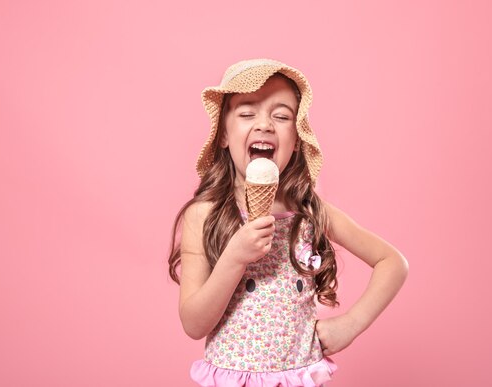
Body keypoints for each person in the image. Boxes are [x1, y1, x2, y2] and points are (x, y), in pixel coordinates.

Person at [168, 59, 409, 387]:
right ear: (224, 134)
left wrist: (352, 323)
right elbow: (194, 325)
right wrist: (234, 257)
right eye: (247, 113)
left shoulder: (309, 210)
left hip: (298, 377)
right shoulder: (203, 215)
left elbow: (392, 262)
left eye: (281, 116)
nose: (265, 124)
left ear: (296, 139)